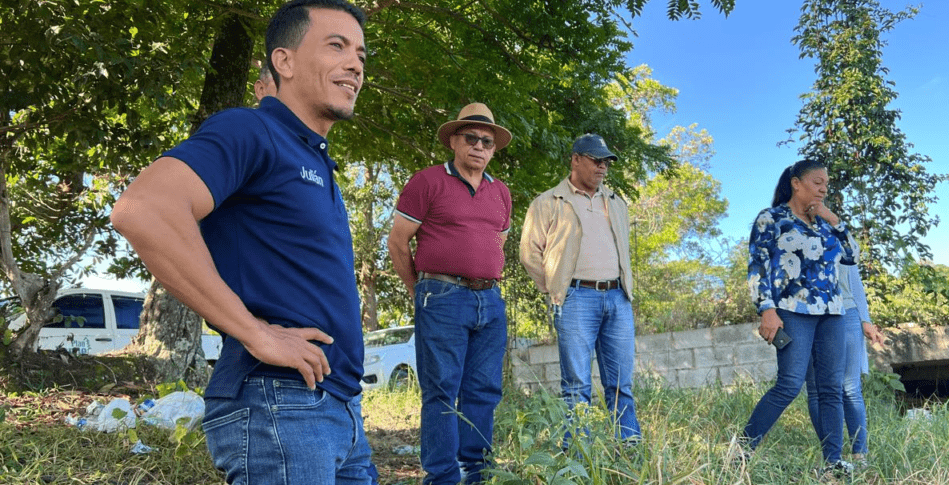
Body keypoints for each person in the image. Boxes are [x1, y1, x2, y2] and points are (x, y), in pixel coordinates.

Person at [110, 1, 375, 483]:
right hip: (281, 404)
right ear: (285, 61)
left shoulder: (315, 159)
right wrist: (255, 332)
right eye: (336, 46)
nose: (356, 64)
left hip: (339, 409)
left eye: (360, 53)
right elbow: (143, 209)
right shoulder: (253, 129)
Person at [386, 102, 513, 485]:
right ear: (454, 141)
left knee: (484, 390)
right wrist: (422, 290)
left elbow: (498, 243)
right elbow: (397, 243)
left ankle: (477, 473)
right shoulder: (427, 181)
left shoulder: (501, 193)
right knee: (441, 391)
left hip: (489, 301)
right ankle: (442, 477)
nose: (479, 146)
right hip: (441, 295)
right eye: (471, 138)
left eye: (486, 141)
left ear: (493, 149)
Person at [519, 133, 641, 444]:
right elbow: (529, 253)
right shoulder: (548, 202)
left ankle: (628, 452)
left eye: (606, 162)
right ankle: (577, 460)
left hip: (617, 299)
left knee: (621, 385)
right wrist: (556, 288)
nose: (602, 167)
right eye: (596, 160)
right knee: (575, 386)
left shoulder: (617, 203)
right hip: (575, 299)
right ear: (575, 160)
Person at [742, 159, 859, 475]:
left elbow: (851, 256)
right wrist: (766, 309)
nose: (823, 188)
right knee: (790, 384)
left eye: (826, 184)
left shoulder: (824, 224)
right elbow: (758, 266)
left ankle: (833, 463)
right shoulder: (773, 219)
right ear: (797, 183)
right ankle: (741, 450)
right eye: (818, 182)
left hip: (832, 312)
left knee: (831, 388)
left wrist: (831, 217)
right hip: (792, 311)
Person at [805, 263, 885, 467]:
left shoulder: (842, 237)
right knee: (816, 389)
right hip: (807, 312)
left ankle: (860, 454)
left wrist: (865, 320)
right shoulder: (796, 232)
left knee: (851, 388)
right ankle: (832, 457)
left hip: (847, 311)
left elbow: (854, 281)